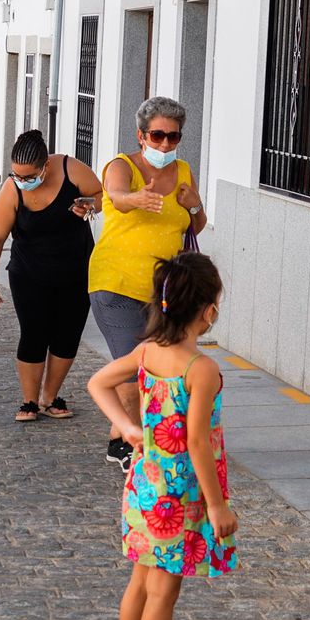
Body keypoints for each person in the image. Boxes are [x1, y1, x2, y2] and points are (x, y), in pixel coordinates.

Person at [85, 252, 237, 620]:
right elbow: (196, 441)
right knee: (162, 593)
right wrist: (217, 507)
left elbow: (97, 383)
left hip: (144, 487)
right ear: (209, 310)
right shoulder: (201, 369)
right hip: (179, 498)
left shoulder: (147, 352)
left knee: (140, 583)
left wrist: (127, 429)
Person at [88, 97, 206, 469]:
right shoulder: (122, 166)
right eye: (158, 136)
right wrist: (135, 197)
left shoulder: (184, 171)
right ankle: (133, 444)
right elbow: (117, 197)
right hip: (116, 284)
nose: (165, 145)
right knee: (130, 364)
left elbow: (195, 226)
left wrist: (194, 204)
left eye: (173, 137)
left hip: (162, 291)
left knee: (155, 365)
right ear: (141, 135)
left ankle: (118, 436)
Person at [0, 129, 102, 422]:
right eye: (16, 174)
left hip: (76, 271)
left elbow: (102, 194)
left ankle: (49, 396)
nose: (22, 180)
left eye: (28, 175)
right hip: (29, 274)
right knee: (34, 333)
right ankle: (29, 401)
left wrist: (90, 205)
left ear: (46, 166)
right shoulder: (12, 190)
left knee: (67, 335)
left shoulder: (71, 170)